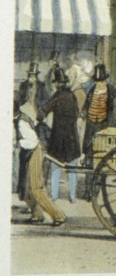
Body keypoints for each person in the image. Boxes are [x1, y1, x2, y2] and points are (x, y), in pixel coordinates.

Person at [15, 102, 64, 227]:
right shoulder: (18, 119)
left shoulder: (21, 122)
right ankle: (37, 214)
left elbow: (32, 142)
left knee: (36, 187)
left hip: (34, 151)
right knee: (26, 187)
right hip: (27, 153)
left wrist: (17, 143)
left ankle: (58, 215)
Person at [40, 68, 81, 205]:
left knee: (56, 166)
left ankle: (54, 196)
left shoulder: (56, 96)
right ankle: (73, 196)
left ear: (57, 83)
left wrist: (40, 117)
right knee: (72, 168)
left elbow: (43, 111)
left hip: (58, 136)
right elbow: (76, 113)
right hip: (72, 136)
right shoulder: (72, 95)